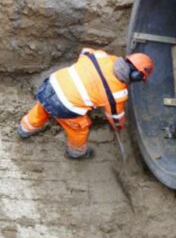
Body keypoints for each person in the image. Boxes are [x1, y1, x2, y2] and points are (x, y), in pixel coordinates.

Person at [17, 48, 154, 159]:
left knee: (43, 107)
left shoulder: (102, 56)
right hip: (64, 105)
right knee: (80, 128)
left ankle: (24, 129)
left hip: (51, 83)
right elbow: (115, 118)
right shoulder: (117, 94)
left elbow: (85, 51)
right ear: (136, 76)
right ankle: (76, 153)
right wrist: (118, 127)